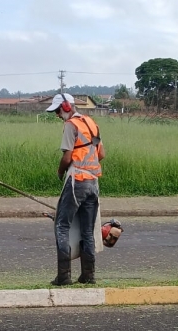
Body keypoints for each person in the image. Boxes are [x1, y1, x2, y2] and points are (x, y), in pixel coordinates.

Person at [45, 93, 106, 285]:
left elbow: (67, 156)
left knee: (62, 226)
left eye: (57, 110)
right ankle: (89, 276)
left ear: (65, 106)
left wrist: (60, 172)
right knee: (87, 231)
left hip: (76, 180)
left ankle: (64, 276)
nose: (56, 115)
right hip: (93, 182)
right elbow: (101, 154)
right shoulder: (91, 122)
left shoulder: (71, 125)